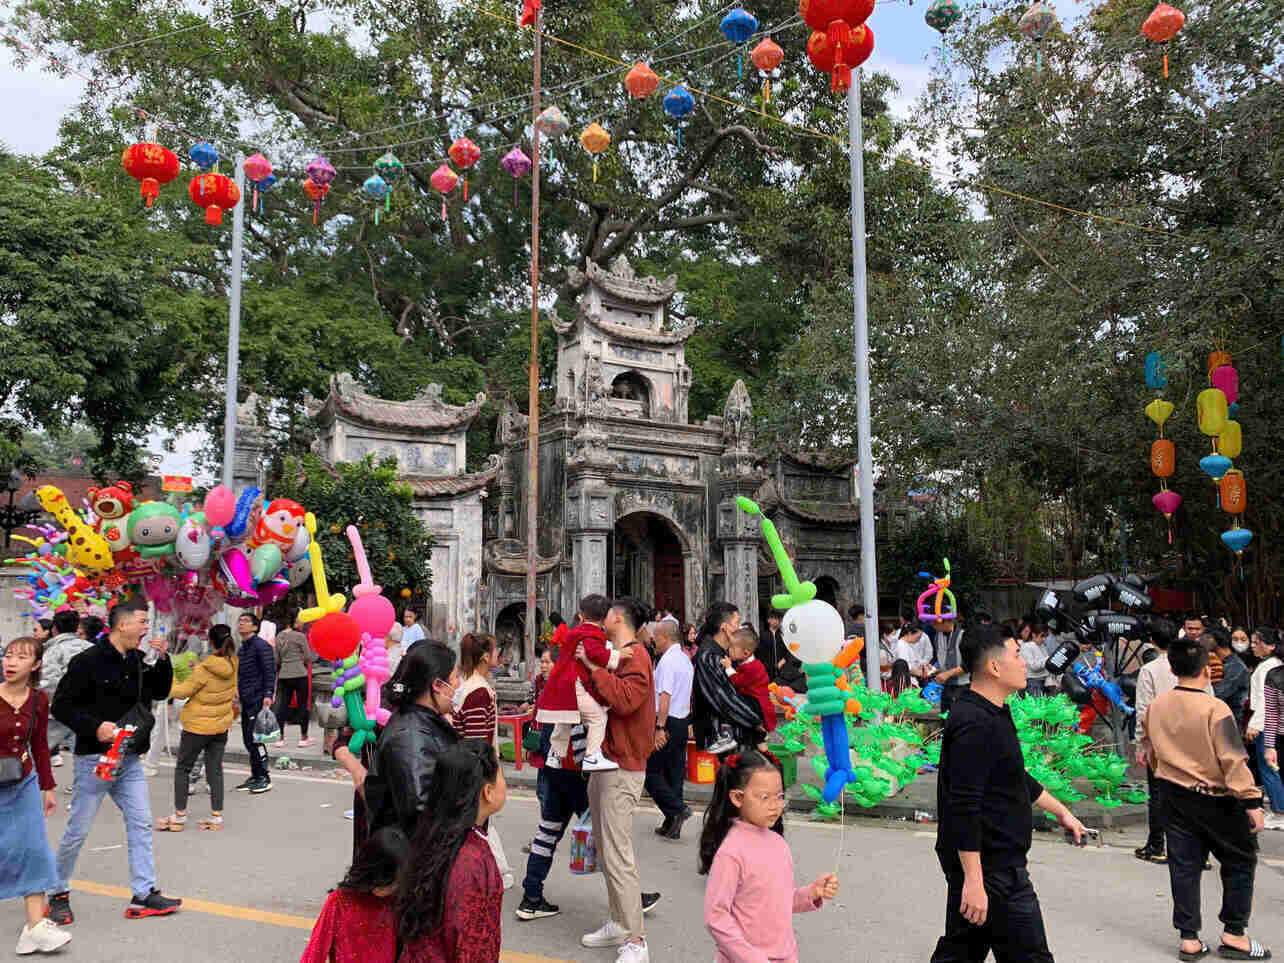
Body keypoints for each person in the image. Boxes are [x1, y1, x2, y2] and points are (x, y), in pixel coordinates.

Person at [931, 624, 1086, 963]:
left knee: (962, 950)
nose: (1024, 664)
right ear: (994, 667)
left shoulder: (993, 711)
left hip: (992, 864)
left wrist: (1061, 811)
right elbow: (964, 803)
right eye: (1017, 655)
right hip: (993, 867)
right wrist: (974, 880)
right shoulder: (974, 722)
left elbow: (1012, 775)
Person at [47, 598, 182, 924]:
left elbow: (159, 692)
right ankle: (57, 892)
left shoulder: (136, 660)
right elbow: (61, 707)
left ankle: (144, 893)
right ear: (122, 624)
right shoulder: (87, 661)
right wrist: (96, 727)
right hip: (95, 758)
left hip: (130, 760)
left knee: (141, 823)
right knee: (78, 831)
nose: (145, 628)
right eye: (141, 622)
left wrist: (163, 659)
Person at [1144, 632, 1270, 962]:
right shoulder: (1216, 709)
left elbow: (1150, 751)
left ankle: (1189, 938)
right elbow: (1232, 759)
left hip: (1173, 794)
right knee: (1240, 861)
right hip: (1217, 798)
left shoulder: (1156, 706)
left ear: (1173, 670)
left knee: (1183, 866)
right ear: (1206, 670)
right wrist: (1252, 802)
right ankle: (1234, 933)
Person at [700, 750, 837, 961]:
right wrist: (751, 957)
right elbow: (716, 917)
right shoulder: (731, 852)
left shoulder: (778, 844)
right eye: (765, 797)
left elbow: (777, 902)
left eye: (780, 796)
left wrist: (812, 892)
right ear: (737, 797)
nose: (775, 805)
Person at [578, 596, 657, 963]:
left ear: (617, 618)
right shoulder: (618, 653)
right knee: (607, 851)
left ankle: (635, 940)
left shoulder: (636, 656)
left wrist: (593, 669)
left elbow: (625, 700)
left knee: (618, 853)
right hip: (607, 761)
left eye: (607, 614)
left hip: (622, 765)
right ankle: (618, 921)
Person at [398, 741, 507, 963]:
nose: (506, 783)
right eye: (501, 776)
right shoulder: (471, 860)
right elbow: (472, 947)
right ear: (487, 791)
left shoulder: (434, 834)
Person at [1, 636, 72, 955]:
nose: (10, 662)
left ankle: (35, 927)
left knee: (35, 850)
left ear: (36, 665)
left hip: (23, 783)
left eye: (20, 657)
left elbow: (41, 745)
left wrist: (48, 786)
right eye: (8, 656)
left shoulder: (39, 700)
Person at [364, 641, 460, 837]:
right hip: (409, 857)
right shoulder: (409, 738)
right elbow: (420, 813)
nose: (458, 684)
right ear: (437, 685)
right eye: (455, 677)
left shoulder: (424, 721)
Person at [154, 623, 237, 834]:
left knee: (183, 768)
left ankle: (179, 815)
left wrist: (169, 678)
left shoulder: (203, 668)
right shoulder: (233, 662)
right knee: (215, 769)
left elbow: (182, 692)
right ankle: (216, 816)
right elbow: (214, 680)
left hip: (198, 726)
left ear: (210, 642)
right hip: (220, 725)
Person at [452, 632, 514, 890]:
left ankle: (498, 870)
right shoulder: (478, 692)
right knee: (478, 819)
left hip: (472, 765)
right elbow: (477, 741)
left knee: (479, 820)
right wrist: (487, 772)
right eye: (496, 649)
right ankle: (498, 870)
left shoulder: (474, 686)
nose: (500, 654)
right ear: (485, 656)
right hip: (475, 767)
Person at [537, 593, 621, 772]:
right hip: (574, 684)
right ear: (605, 618)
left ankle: (555, 753)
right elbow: (595, 653)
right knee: (598, 717)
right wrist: (617, 656)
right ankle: (592, 755)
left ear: (582, 616)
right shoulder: (592, 633)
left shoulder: (574, 632)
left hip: (561, 683)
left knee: (566, 718)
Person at [300, 825, 407, 963]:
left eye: (397, 883)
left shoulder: (396, 902)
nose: (394, 888)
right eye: (389, 882)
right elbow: (315, 951)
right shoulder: (339, 901)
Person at [645, 620, 694, 840]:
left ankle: (677, 809)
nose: (653, 640)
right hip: (681, 721)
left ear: (666, 637)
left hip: (667, 722)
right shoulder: (684, 659)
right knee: (674, 775)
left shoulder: (668, 662)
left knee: (650, 773)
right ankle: (672, 823)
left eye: (656, 636)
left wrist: (659, 728)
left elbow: (664, 698)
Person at [692, 602, 762, 754]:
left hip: (733, 737)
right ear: (724, 627)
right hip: (719, 739)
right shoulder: (709, 656)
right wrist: (755, 720)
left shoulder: (724, 654)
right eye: (737, 622)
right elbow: (724, 700)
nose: (740, 628)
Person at [38, 609, 91, 768]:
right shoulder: (90, 647)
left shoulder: (54, 650)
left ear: (54, 628)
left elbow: (49, 682)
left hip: (59, 711)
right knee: (83, 757)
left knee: (37, 751)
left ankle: (25, 787)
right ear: (76, 628)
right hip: (87, 711)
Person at [1246, 627, 1284, 828]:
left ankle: (1279, 812)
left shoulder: (1270, 667)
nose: (1252, 646)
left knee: (1268, 766)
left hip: (1266, 725)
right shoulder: (1272, 665)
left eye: (1255, 642)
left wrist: (1254, 724)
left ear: (1269, 645)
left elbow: (1265, 702)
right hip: (1271, 724)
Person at [234, 612, 275, 794]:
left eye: (246, 621)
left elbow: (269, 671)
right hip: (245, 699)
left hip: (257, 698)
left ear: (255, 627)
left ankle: (264, 777)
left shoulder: (261, 646)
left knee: (255, 740)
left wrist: (268, 693)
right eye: (240, 621)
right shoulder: (242, 648)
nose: (241, 624)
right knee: (247, 739)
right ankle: (255, 774)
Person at [724, 627, 775, 747]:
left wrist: (728, 667)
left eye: (732, 647)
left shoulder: (752, 668)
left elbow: (737, 682)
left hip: (756, 706)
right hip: (755, 704)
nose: (729, 650)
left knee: (759, 743)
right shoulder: (750, 663)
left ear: (746, 652)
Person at [273, 614, 314, 749]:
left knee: (282, 706)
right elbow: (308, 656)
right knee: (303, 705)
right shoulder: (300, 636)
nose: (301, 623)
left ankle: (280, 738)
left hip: (284, 675)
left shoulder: (279, 636)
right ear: (294, 621)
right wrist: (300, 662)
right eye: (299, 620)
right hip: (300, 674)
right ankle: (303, 737)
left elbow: (276, 659)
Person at [756, 610, 807, 693]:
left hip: (783, 668)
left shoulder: (784, 635)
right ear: (769, 620)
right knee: (769, 689)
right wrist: (763, 665)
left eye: (779, 619)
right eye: (775, 619)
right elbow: (760, 652)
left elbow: (791, 649)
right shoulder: (763, 635)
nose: (777, 621)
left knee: (781, 688)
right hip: (768, 667)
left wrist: (784, 659)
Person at [1212, 627, 1251, 718]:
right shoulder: (1222, 662)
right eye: (1235, 639)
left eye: (1243, 639)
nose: (1239, 642)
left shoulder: (1237, 666)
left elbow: (1219, 693)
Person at [934, 618, 969, 714]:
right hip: (945, 686)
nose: (933, 625)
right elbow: (938, 659)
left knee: (959, 717)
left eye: (935, 623)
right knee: (945, 718)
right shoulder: (937, 636)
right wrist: (932, 668)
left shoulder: (964, 635)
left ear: (946, 621)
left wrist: (947, 674)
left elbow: (969, 665)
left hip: (962, 686)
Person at [1019, 626, 1050, 697]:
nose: (1044, 639)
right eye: (1042, 636)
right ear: (1033, 635)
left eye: (1045, 636)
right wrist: (1048, 659)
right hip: (1033, 681)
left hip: (1043, 680)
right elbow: (1033, 666)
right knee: (1036, 706)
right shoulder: (1026, 646)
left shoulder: (1042, 646)